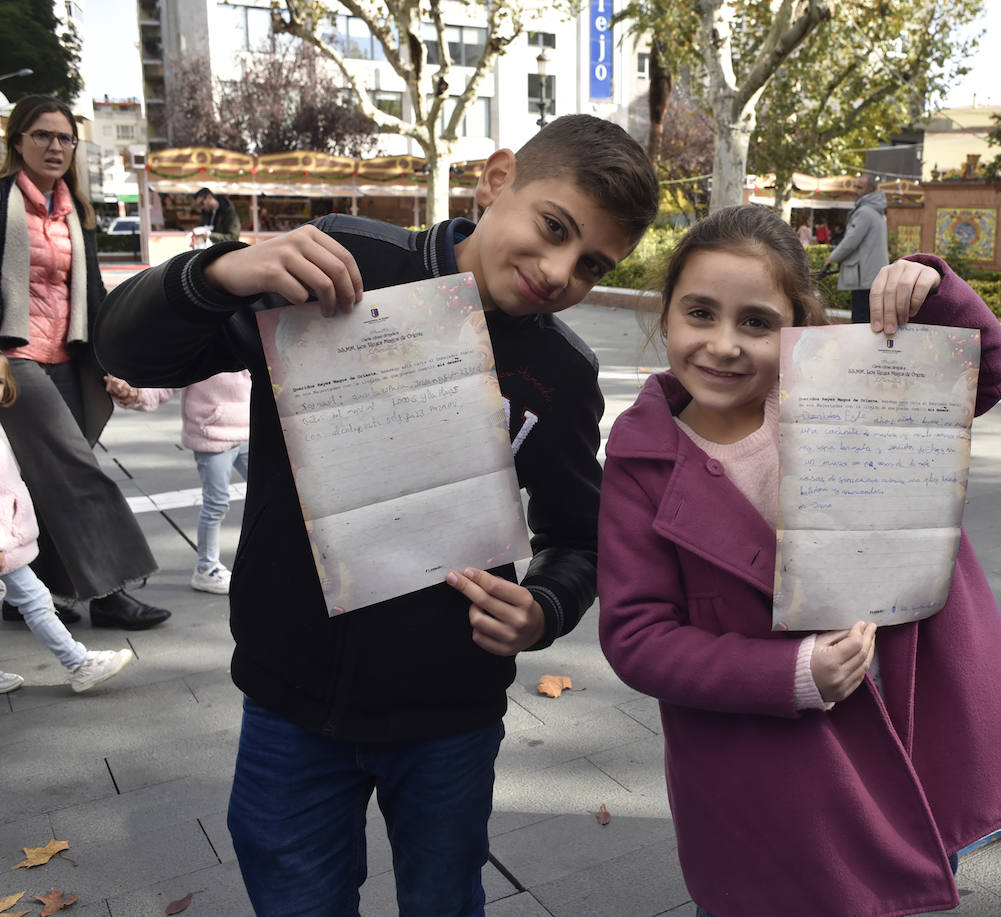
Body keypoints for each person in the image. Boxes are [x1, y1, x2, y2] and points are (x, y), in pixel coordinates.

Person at [94, 114, 659, 915]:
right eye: (555, 227)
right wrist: (218, 273)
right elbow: (129, 352)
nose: (561, 268)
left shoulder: (561, 371)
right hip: (291, 699)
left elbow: (580, 533)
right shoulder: (345, 261)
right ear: (498, 181)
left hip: (450, 715)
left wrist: (544, 607)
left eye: (594, 263)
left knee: (444, 898)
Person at [597, 205, 1001, 917]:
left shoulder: (849, 387)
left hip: (906, 719)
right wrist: (788, 675)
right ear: (665, 316)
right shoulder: (642, 456)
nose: (722, 344)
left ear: (798, 325)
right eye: (699, 313)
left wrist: (931, 289)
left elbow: (983, 376)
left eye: (755, 322)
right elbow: (636, 636)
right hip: (770, 773)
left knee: (902, 882)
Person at [0, 94, 171, 630]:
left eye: (64, 138)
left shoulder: (77, 209)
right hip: (16, 356)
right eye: (42, 135)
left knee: (42, 477)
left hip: (67, 355)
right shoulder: (1, 201)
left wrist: (109, 361)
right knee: (78, 471)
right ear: (17, 141)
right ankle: (111, 592)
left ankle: (38, 591)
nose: (54, 146)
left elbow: (91, 293)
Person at [0, 355, 135, 694]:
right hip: (3, 544)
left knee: (36, 600)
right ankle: (79, 663)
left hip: (8, 542)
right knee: (36, 601)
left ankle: (79, 663)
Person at [107, 370, 251, 595]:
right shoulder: (198, 347)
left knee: (271, 494)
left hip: (250, 431)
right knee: (217, 504)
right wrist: (134, 394)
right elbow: (167, 381)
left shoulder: (246, 338)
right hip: (213, 436)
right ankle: (206, 568)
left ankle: (267, 549)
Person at [824, 173, 890, 325]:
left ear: (871, 190)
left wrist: (832, 257)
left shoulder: (864, 212)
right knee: (869, 319)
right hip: (874, 275)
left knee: (860, 320)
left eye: (859, 187)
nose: (855, 190)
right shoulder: (877, 211)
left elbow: (851, 241)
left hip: (864, 276)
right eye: (854, 186)